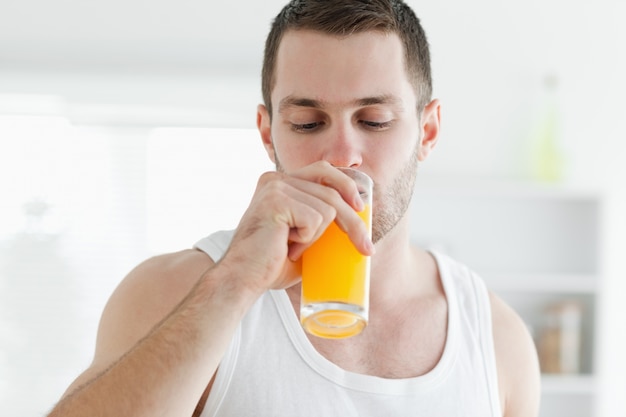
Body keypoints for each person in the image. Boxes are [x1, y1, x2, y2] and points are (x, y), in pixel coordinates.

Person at [48, 0, 540, 416]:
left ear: (427, 132)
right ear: (268, 134)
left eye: (374, 120)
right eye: (307, 122)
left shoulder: (495, 340)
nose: (341, 154)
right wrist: (233, 284)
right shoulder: (170, 293)